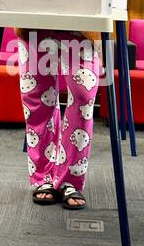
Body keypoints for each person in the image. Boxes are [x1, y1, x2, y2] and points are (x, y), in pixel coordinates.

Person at [15, 27, 101, 210]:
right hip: (33, 22)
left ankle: (69, 179)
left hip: (82, 27)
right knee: (37, 100)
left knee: (83, 97)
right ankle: (43, 176)